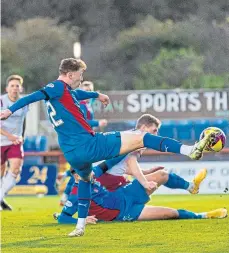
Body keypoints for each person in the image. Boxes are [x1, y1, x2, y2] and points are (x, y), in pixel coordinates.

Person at [0, 58, 215, 236]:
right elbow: (33, 96)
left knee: (85, 180)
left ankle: (80, 226)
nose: (81, 79)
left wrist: (96, 95)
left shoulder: (62, 95)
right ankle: (190, 150)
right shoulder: (56, 86)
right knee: (141, 136)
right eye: (80, 75)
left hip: (72, 153)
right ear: (71, 74)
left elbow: (78, 95)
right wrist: (10, 111)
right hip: (89, 144)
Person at [53, 162, 227, 235]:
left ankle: (191, 187)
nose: (90, 172)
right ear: (75, 176)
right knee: (170, 214)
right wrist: (81, 220)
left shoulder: (95, 173)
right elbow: (63, 218)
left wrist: (145, 167)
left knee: (161, 174)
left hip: (125, 194)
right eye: (83, 171)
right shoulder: (76, 193)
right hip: (125, 212)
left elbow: (116, 160)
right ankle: (204, 215)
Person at [58, 80, 107, 206]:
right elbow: (81, 122)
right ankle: (68, 199)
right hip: (81, 140)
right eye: (86, 89)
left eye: (90, 89)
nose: (88, 91)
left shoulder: (88, 104)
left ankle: (65, 185)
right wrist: (97, 123)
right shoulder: (81, 104)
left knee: (79, 170)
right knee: (80, 171)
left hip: (84, 139)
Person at [0, 75, 28, 210]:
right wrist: (9, 136)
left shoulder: (24, 103)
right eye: (12, 86)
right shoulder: (1, 101)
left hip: (15, 142)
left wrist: (22, 136)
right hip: (1, 140)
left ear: (21, 88)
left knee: (15, 169)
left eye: (17, 86)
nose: (15, 88)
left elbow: (23, 121)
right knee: (1, 172)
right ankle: (1, 200)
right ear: (7, 88)